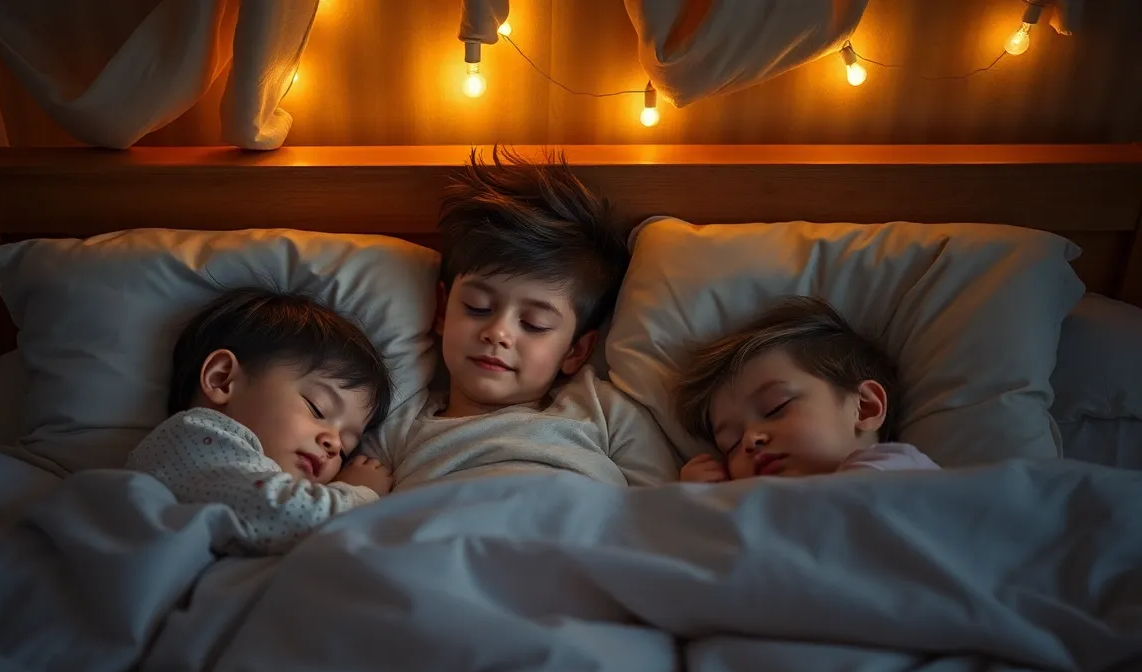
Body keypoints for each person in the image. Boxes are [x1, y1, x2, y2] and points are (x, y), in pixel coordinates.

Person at [362, 146, 677, 489]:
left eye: (534, 324)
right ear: (441, 310)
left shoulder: (601, 409)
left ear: (575, 351)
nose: (498, 332)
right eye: (478, 306)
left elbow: (661, 508)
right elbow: (350, 508)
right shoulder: (399, 424)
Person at [127, 288, 395, 555]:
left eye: (346, 449)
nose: (334, 444)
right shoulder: (194, 435)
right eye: (317, 408)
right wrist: (359, 492)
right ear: (222, 379)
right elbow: (289, 516)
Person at [675, 296, 938, 483]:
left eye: (775, 408)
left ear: (864, 407)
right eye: (729, 445)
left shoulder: (897, 472)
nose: (749, 440)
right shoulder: (766, 510)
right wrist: (694, 501)